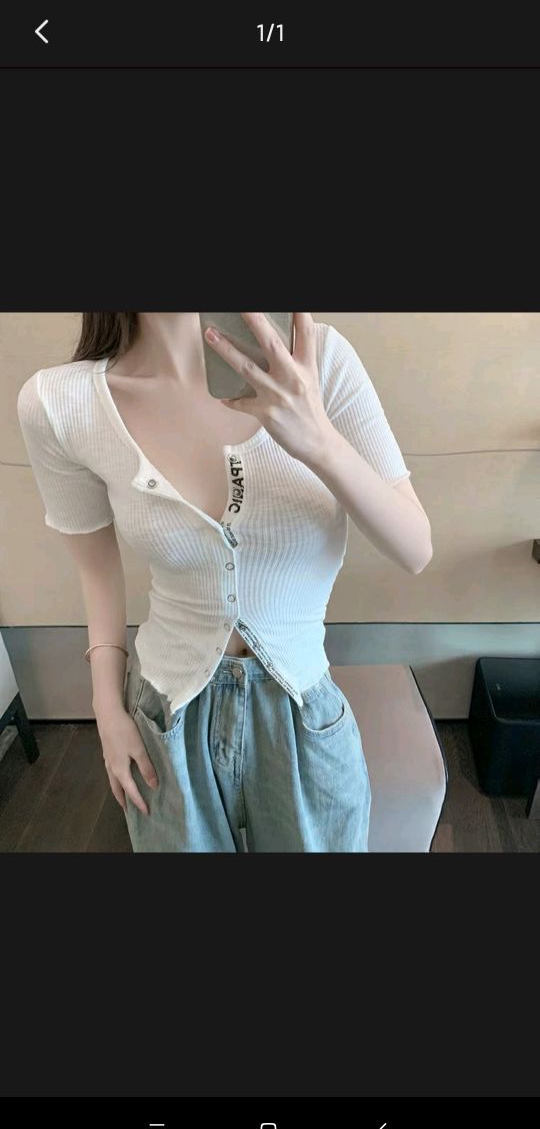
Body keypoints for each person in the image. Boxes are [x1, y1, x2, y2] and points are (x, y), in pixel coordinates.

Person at [16, 312, 432, 852]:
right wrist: (107, 713)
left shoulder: (315, 358)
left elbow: (415, 548)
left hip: (301, 710)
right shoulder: (60, 404)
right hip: (165, 714)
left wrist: (318, 438)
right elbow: (96, 570)